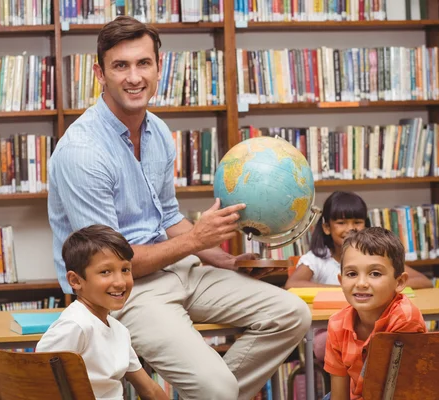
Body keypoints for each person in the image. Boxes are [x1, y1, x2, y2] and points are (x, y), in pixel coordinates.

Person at [47, 15, 311, 400]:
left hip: (179, 270)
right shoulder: (82, 152)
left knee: (292, 315)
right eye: (120, 66)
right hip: (125, 290)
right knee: (216, 390)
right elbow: (106, 265)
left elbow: (167, 216)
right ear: (100, 74)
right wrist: (194, 242)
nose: (134, 77)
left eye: (143, 64)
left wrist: (218, 257)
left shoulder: (156, 132)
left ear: (159, 67)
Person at [284, 191, 432, 361]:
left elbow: (424, 281)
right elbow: (292, 285)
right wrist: (341, 289)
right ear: (326, 227)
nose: (350, 228)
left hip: (371, 327)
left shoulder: (376, 256)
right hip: (329, 328)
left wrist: (388, 285)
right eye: (341, 222)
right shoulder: (316, 259)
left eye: (357, 222)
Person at [36, 224, 168, 400]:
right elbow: (36, 380)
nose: (120, 282)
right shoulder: (75, 325)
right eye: (105, 272)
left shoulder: (119, 331)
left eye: (125, 270)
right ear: (75, 280)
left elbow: (149, 390)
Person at [323, 227, 427, 400]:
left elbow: (403, 392)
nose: (361, 283)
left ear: (399, 282)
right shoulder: (337, 324)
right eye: (352, 274)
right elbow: (339, 395)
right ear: (341, 281)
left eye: (375, 273)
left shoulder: (405, 319)